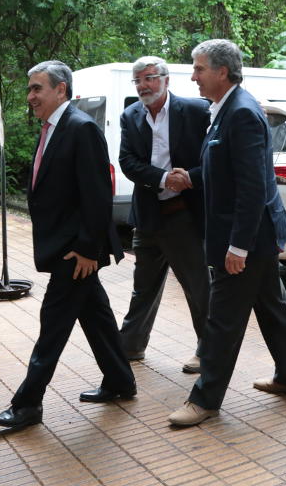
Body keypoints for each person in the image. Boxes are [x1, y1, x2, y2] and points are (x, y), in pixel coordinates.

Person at [0, 60, 134, 430]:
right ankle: (120, 381)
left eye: (37, 88)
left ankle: (26, 405)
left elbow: (98, 193)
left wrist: (87, 249)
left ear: (60, 90)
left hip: (76, 251)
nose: (30, 96)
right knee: (96, 316)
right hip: (69, 246)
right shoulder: (52, 126)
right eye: (30, 89)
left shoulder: (80, 128)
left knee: (52, 326)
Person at [168, 39, 286, 427]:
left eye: (198, 69)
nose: (193, 76)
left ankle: (205, 400)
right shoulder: (225, 109)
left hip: (246, 238)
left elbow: (251, 187)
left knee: (223, 320)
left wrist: (238, 246)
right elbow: (226, 171)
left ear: (222, 72)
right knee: (272, 308)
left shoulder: (242, 112)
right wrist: (192, 178)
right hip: (251, 237)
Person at [118, 56, 210, 374]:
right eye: (138, 80)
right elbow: (127, 161)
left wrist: (191, 178)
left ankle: (208, 351)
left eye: (149, 78)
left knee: (198, 288)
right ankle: (129, 347)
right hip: (148, 215)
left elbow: (214, 157)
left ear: (166, 80)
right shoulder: (130, 115)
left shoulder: (197, 111)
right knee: (143, 286)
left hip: (184, 215)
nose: (143, 85)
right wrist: (162, 178)